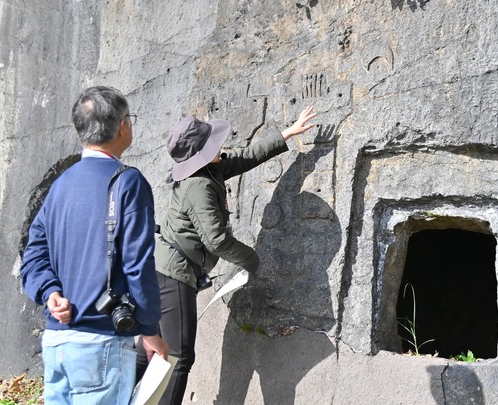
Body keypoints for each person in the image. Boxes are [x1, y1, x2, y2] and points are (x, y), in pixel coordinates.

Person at [136, 106, 317, 404]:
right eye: (212, 144)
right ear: (201, 154)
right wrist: (251, 260)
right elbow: (217, 240)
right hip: (173, 275)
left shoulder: (208, 170)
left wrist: (288, 132)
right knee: (179, 357)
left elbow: (246, 158)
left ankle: (113, 394)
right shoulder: (200, 185)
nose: (221, 146)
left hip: (161, 268)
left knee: (152, 348)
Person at [21, 86, 169, 404]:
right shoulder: (127, 182)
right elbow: (136, 264)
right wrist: (150, 330)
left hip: (57, 344)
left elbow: (33, 254)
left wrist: (50, 293)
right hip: (101, 345)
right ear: (123, 126)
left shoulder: (60, 186)